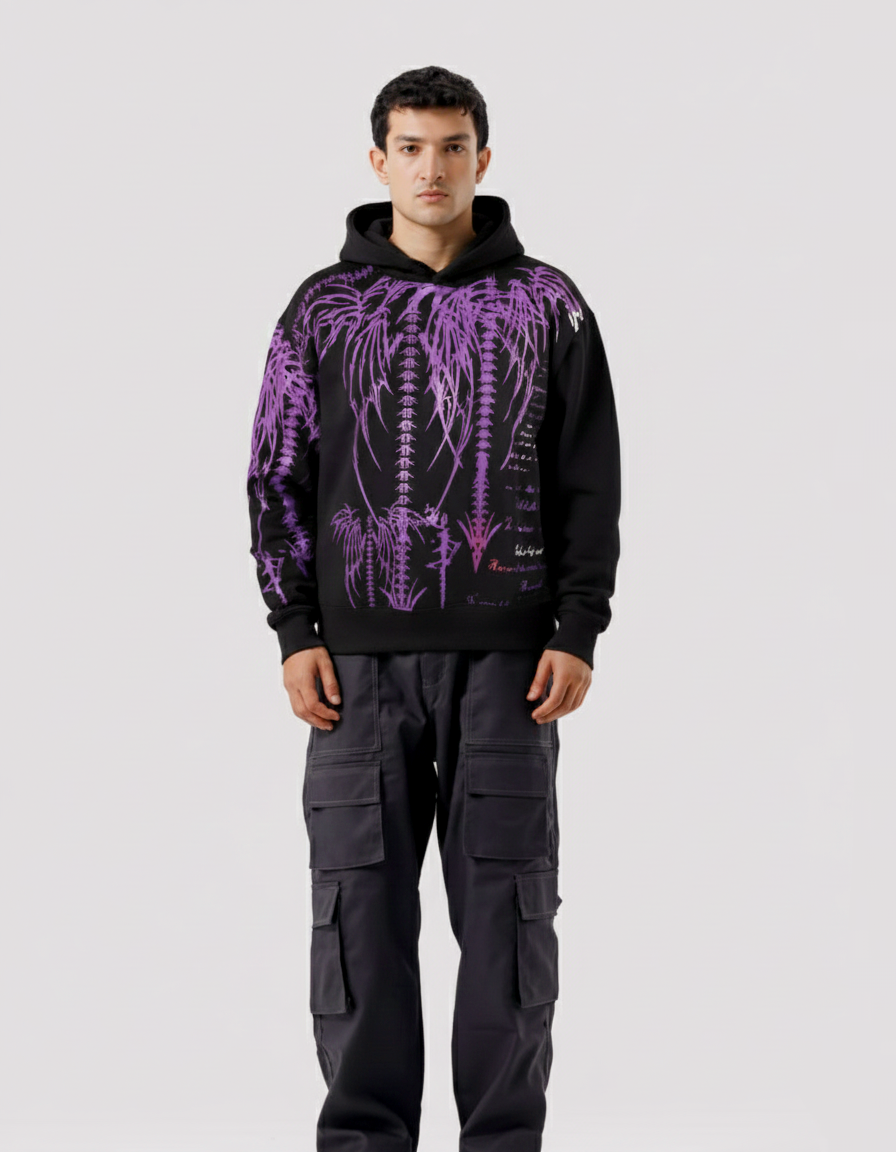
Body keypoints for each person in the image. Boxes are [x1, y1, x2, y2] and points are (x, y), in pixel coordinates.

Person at [247, 64, 621, 1152]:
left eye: (452, 146)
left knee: (508, 921)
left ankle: (502, 1144)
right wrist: (294, 630)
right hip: (353, 670)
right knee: (357, 920)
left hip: (511, 667)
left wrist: (577, 626)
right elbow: (275, 471)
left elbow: (588, 476)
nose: (431, 167)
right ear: (379, 161)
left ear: (481, 160)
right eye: (410, 147)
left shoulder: (547, 303)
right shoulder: (322, 308)